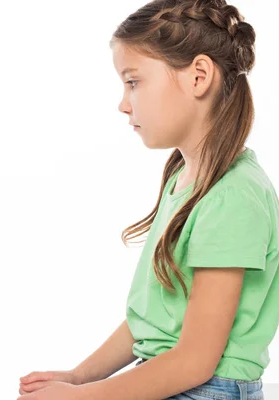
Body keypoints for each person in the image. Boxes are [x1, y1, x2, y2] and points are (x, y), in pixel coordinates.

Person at [18, 1, 274, 399]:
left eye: (133, 81)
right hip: (168, 377)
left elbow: (194, 361)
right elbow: (151, 322)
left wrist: (82, 398)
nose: (123, 103)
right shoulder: (182, 178)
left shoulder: (233, 198)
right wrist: (80, 376)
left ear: (199, 76)